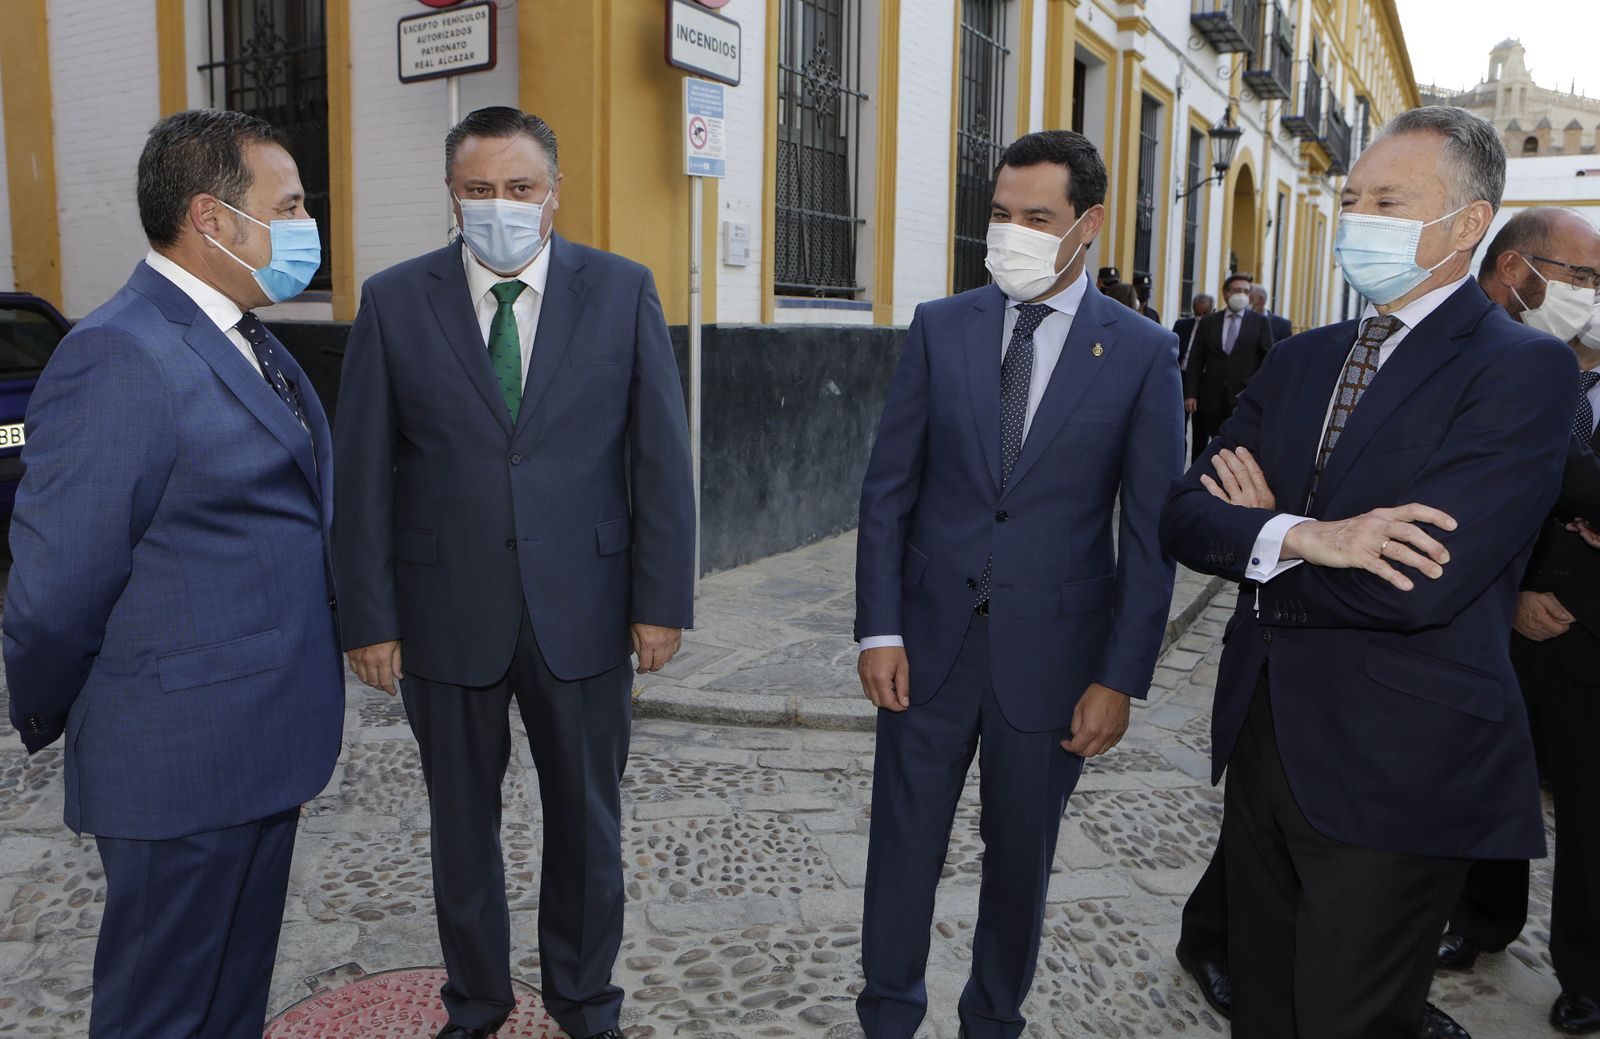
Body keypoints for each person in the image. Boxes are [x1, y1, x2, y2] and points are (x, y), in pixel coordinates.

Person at [1161, 105, 1574, 1038]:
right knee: (1263, 1007)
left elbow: (1420, 579)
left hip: (1400, 759)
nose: (1358, 217)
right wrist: (1309, 535)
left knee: (1348, 1018)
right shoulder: (1304, 356)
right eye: (1351, 197)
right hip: (1264, 736)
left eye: (1388, 199)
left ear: (1466, 225)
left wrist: (1260, 529)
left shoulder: (1520, 372)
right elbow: (1183, 512)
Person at [332, 106, 695, 1039]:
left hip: (587, 607)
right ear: (453, 197)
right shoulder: (393, 299)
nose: (502, 206)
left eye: (521, 188)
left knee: (587, 827)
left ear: (554, 193)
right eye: (480, 190)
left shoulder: (622, 291)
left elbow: (660, 460)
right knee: (462, 829)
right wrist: (368, 616)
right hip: (445, 609)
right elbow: (364, 470)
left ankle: (584, 1002)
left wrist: (661, 601)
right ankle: (478, 1001)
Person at [2, 109, 343, 1037]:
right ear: (214, 218)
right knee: (161, 1013)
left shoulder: (249, 335)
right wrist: (51, 707)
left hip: (263, 751)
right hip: (180, 760)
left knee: (229, 1006)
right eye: (293, 205)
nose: (310, 225)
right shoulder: (118, 353)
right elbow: (55, 589)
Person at [853, 129, 1183, 1039]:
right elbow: (888, 493)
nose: (1013, 232)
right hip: (926, 649)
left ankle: (992, 1019)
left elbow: (1149, 535)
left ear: (1089, 226)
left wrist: (1121, 677)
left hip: (1055, 660)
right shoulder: (939, 326)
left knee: (1019, 862)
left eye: (1037, 217)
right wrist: (877, 628)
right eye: (1001, 214)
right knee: (902, 846)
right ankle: (886, 1016)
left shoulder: (1144, 353)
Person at [1434, 206, 1600, 1036]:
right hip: (1494, 608)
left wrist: (1569, 571)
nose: (1593, 295)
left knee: (1590, 807)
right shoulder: (1495, 365)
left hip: (1589, 626)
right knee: (1485, 778)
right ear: (1516, 271)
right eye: (1583, 277)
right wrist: (1526, 582)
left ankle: (1589, 971)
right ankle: (1480, 917)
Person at [1183, 272, 1274, 463]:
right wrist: (1190, 393)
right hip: (1209, 397)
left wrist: (1252, 388)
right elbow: (1196, 359)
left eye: (1245, 291)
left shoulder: (1260, 322)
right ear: (1225, 293)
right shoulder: (1209, 322)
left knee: (1235, 449)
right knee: (1200, 446)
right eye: (1237, 290)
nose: (1241, 294)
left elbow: (1267, 360)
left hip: (1241, 397)